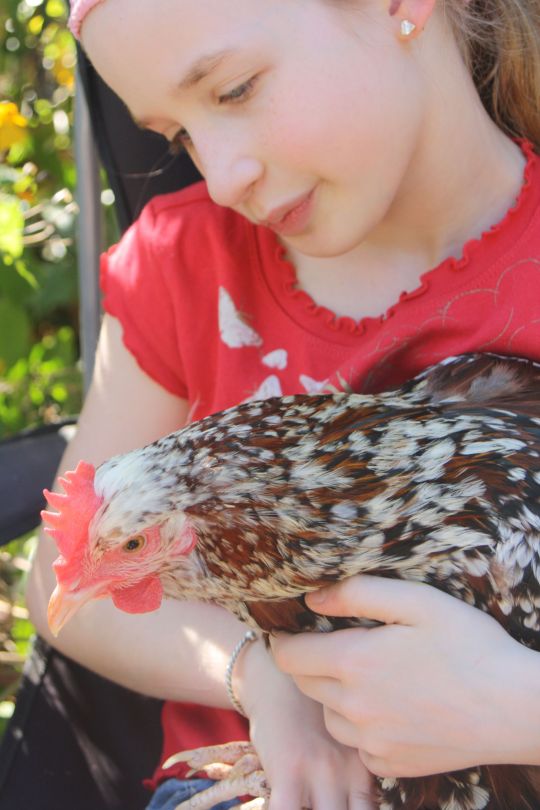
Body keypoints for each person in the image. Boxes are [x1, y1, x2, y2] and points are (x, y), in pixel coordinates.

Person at [26, 0, 540, 808]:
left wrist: (523, 710)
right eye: (180, 138)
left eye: (233, 90)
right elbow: (65, 587)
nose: (222, 174)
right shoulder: (183, 264)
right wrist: (265, 679)